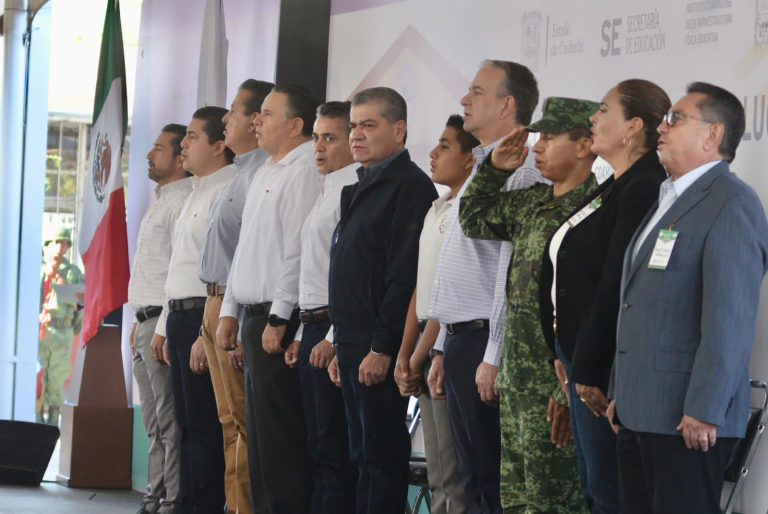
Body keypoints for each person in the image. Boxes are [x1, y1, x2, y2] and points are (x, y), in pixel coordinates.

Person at [607, 82, 768, 514]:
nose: (662, 126)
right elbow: (644, 305)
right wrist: (623, 389)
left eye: (675, 118)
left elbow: (729, 319)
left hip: (688, 419)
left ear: (712, 135)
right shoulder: (668, 197)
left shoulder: (731, 203)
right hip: (643, 410)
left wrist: (706, 407)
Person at [459, 97, 600, 513]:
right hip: (517, 382)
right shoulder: (532, 202)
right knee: (517, 500)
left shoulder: (598, 211)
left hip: (554, 386)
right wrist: (493, 170)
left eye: (550, 138)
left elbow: (593, 309)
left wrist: (566, 384)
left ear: (584, 145)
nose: (537, 147)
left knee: (554, 502)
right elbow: (473, 217)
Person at [537, 80, 669, 514]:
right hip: (578, 357)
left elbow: (615, 282)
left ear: (632, 127)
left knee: (610, 493)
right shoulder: (613, 185)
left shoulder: (644, 186)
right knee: (598, 488)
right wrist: (561, 346)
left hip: (604, 365)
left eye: (603, 110)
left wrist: (588, 365)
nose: (593, 119)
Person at [426, 60, 546, 514]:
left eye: (477, 91)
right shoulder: (483, 166)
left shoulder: (523, 167)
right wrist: (440, 348)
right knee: (472, 479)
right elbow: (460, 268)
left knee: (492, 484)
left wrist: (492, 353)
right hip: (461, 340)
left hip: (486, 341)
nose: (464, 100)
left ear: (507, 104)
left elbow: (508, 270)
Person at [327, 86, 437, 514]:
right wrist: (341, 343)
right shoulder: (358, 187)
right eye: (353, 126)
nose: (356, 135)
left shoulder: (409, 187)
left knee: (381, 461)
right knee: (360, 459)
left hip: (379, 347)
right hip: (352, 342)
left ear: (399, 130)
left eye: (368, 125)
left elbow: (402, 276)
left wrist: (382, 346)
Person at [218, 84, 320, 514]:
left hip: (281, 320)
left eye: (267, 113)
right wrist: (229, 310)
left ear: (296, 126)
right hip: (253, 317)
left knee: (281, 443)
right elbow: (245, 248)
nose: (257, 120)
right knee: (258, 442)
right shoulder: (266, 170)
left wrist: (279, 319)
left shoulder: (304, 171)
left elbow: (297, 250)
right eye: (257, 113)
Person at [152, 106, 236, 514]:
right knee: (186, 426)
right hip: (181, 313)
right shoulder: (194, 191)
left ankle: (203, 507)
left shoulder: (229, 188)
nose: (183, 145)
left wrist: (210, 327)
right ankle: (186, 503)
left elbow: (225, 269)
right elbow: (178, 267)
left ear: (219, 146)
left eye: (192, 137)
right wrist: (165, 327)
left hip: (208, 311)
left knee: (206, 426)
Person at [393, 114, 476, 514]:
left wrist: (424, 351)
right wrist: (405, 352)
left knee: (452, 473)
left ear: (471, 159)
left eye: (445, 146)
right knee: (438, 469)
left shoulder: (468, 211)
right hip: (424, 342)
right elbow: (421, 289)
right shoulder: (436, 208)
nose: (433, 152)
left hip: (444, 341)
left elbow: (451, 292)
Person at [200, 78, 273, 514]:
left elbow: (254, 253)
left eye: (234, 110)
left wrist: (234, 313)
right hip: (216, 302)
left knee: (245, 424)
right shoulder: (241, 170)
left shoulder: (265, 173)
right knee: (229, 422)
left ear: (257, 119)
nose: (225, 119)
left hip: (238, 304)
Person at [283, 100, 359, 514]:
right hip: (311, 325)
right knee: (316, 445)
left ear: (354, 140)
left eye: (330, 138)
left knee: (334, 450)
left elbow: (347, 278)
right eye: (315, 137)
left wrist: (331, 336)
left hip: (335, 326)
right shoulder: (326, 189)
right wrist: (299, 332)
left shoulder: (352, 191)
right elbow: (312, 272)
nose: (319, 147)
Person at [129, 123, 192, 514]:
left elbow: (177, 274)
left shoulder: (182, 202)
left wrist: (162, 326)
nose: (150, 155)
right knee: (153, 422)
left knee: (169, 421)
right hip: (145, 320)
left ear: (180, 158)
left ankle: (172, 499)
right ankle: (155, 495)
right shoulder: (162, 200)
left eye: (159, 148)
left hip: (162, 323)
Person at [38, 226, 84, 426]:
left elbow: (83, 302)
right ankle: (36, 423)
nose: (59, 247)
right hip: (39, 332)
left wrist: (73, 326)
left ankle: (51, 426)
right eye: (55, 242)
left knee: (56, 382)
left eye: (63, 243)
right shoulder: (39, 269)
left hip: (62, 332)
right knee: (37, 380)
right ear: (48, 246)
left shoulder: (72, 273)